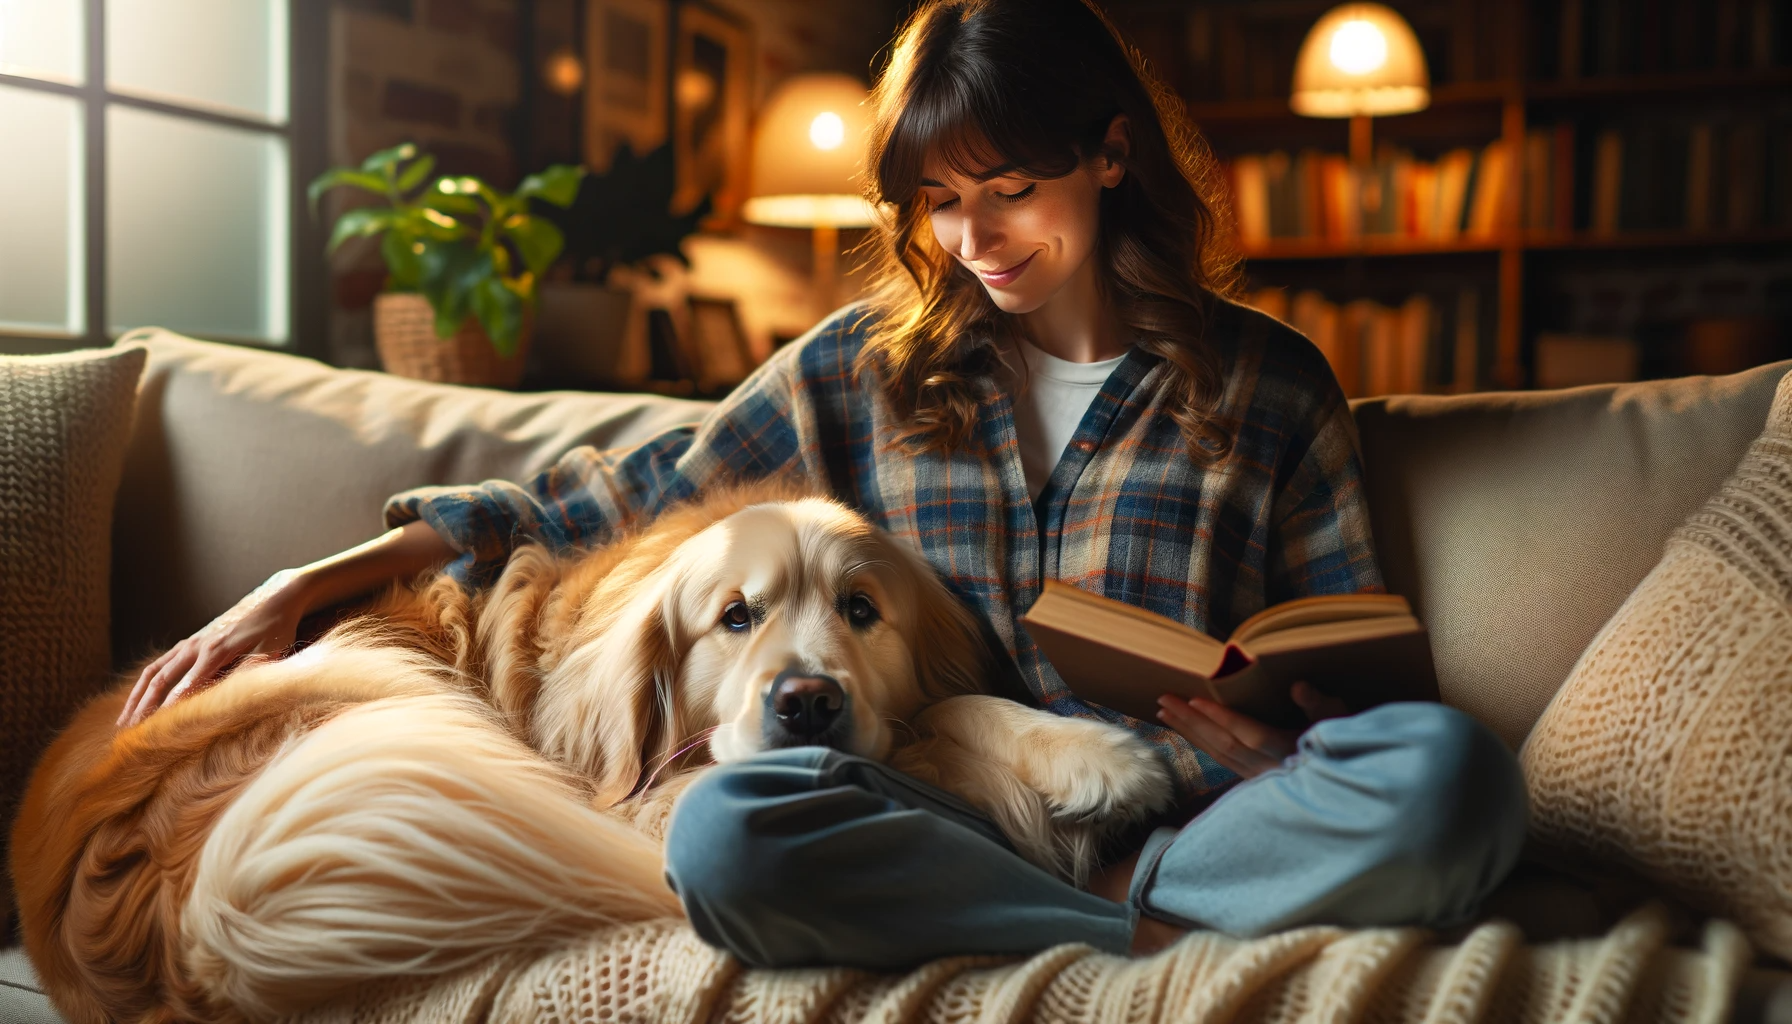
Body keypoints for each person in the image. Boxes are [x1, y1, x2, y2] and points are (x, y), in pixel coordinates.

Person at [120, 0, 1526, 971]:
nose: (974, 236)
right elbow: (611, 496)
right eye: (938, 201)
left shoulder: (1270, 387)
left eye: (1010, 186)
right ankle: (1132, 949)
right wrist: (305, 586)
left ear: (1108, 153)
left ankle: (1130, 905)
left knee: (1453, 779)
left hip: (1197, 819)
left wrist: (1282, 744)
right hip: (929, 814)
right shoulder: (861, 368)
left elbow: (1356, 664)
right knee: (730, 830)